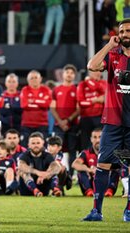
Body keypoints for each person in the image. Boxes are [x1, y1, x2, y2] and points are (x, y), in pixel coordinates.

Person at [83, 18, 130, 221]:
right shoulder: (112, 55)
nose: (125, 34)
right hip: (112, 121)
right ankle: (96, 211)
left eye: (129, 30)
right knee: (103, 164)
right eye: (122, 31)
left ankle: (128, 210)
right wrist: (109, 45)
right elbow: (92, 66)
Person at [72, 128, 119, 197]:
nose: (97, 140)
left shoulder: (110, 153)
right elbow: (74, 164)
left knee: (116, 169)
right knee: (81, 170)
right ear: (91, 139)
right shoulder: (85, 153)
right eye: (95, 137)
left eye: (100, 137)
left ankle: (109, 191)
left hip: (106, 181)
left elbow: (120, 165)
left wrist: (102, 170)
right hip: (91, 184)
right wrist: (89, 169)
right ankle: (89, 191)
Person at [50, 64, 79, 176]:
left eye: (72, 73)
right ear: (63, 74)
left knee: (72, 151)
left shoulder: (77, 89)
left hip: (73, 125)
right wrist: (61, 121)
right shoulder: (56, 90)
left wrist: (68, 120)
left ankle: (71, 175)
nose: (69, 74)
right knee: (56, 149)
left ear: (74, 76)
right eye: (67, 72)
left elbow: (78, 108)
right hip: (58, 125)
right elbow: (52, 108)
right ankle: (57, 173)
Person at [18, 132, 62, 197]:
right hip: (26, 189)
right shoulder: (25, 155)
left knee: (53, 170)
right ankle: (34, 190)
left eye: (38, 143)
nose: (36, 145)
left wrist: (46, 174)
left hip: (43, 187)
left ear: (43, 143)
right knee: (22, 172)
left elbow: (57, 167)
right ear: (28, 145)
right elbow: (21, 166)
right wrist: (37, 172)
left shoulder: (47, 155)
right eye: (33, 143)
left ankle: (55, 189)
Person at [20, 70, 52, 147]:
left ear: (40, 79)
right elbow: (24, 105)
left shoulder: (46, 90)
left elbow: (47, 104)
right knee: (25, 148)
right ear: (28, 80)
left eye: (36, 77)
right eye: (32, 78)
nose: (34, 79)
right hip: (27, 125)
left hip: (42, 124)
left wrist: (33, 101)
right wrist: (40, 102)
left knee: (43, 148)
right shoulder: (25, 90)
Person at [77, 71, 105, 150]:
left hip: (100, 117)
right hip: (86, 118)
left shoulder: (104, 83)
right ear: (89, 73)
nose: (96, 73)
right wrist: (95, 100)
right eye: (94, 71)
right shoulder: (82, 84)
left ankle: (99, 161)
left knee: (100, 143)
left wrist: (91, 82)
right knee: (85, 144)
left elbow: (105, 98)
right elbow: (81, 102)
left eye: (98, 70)